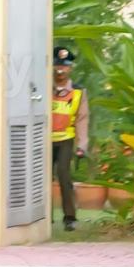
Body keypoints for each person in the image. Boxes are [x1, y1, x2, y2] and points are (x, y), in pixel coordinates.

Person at [50, 47, 89, 231]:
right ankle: (44, 217)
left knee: (64, 176)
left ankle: (70, 218)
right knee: (40, 179)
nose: (60, 69)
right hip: (44, 140)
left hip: (65, 139)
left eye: (64, 66)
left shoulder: (78, 92)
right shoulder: (43, 87)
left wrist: (82, 145)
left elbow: (82, 119)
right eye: (57, 65)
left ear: (70, 68)